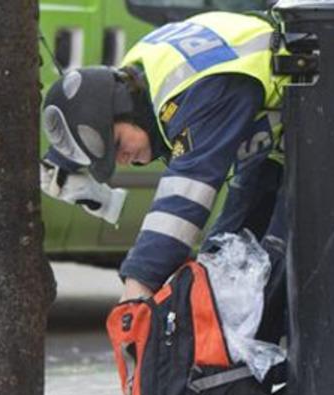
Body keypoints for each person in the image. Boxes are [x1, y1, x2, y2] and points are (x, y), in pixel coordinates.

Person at [39, 9, 288, 347]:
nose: (124, 161)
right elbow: (89, 105)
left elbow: (185, 197)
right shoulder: (141, 76)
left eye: (117, 146)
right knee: (224, 263)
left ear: (123, 108)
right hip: (286, 140)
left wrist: (136, 289)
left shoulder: (191, 92)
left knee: (277, 267)